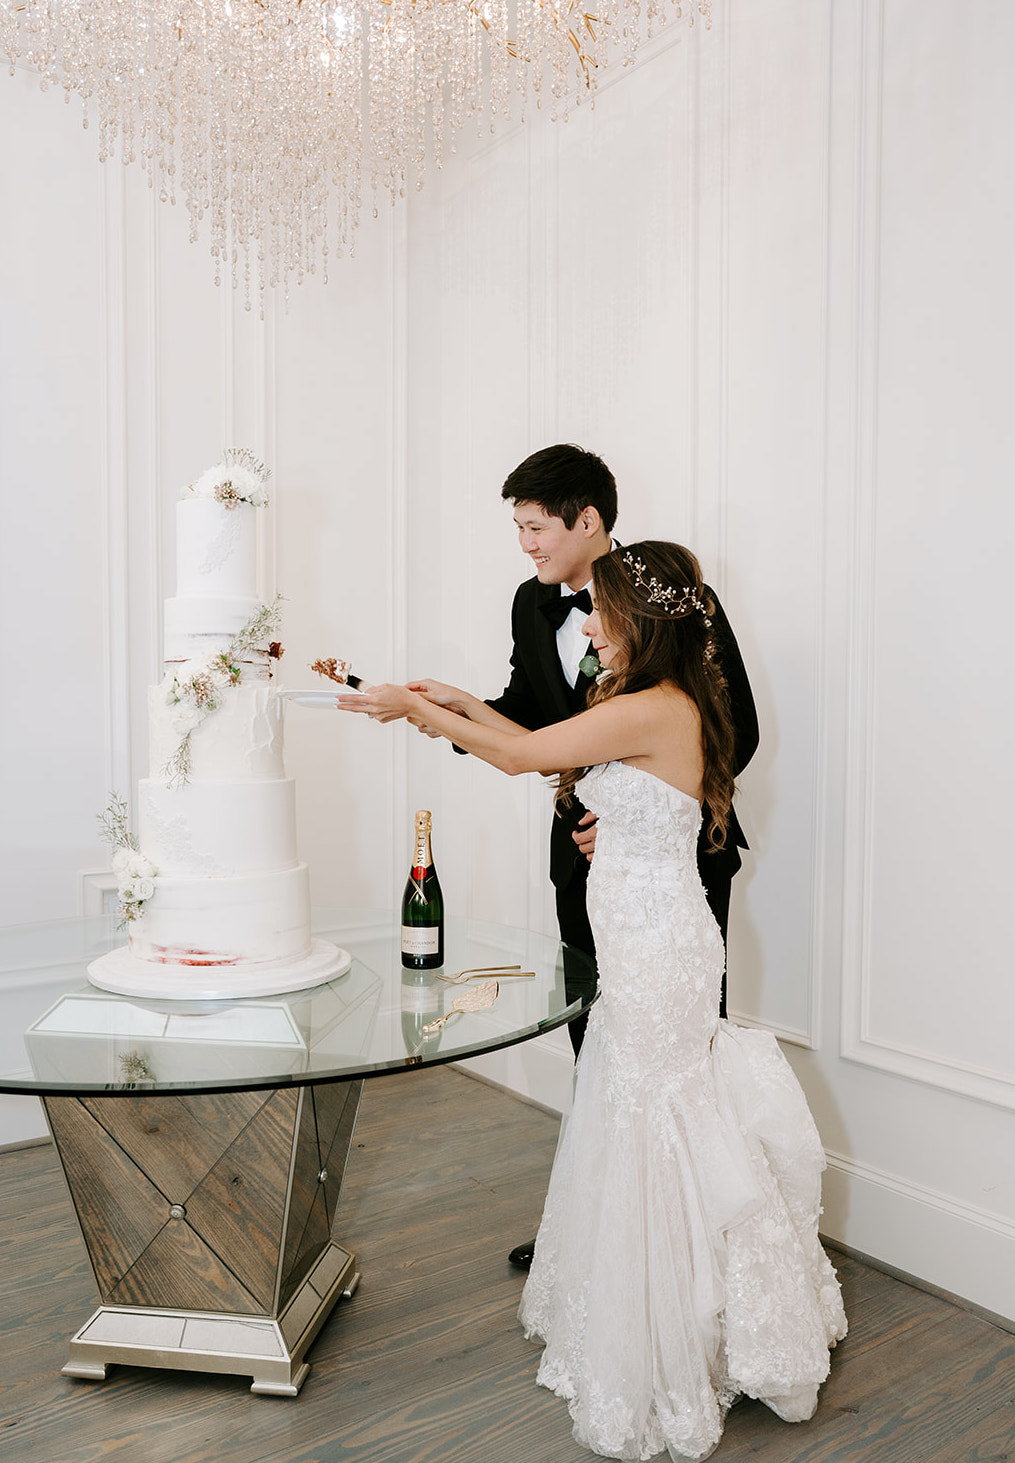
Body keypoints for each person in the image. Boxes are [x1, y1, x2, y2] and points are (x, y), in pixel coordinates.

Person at [337, 541, 846, 1462]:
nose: (591, 626)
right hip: (645, 933)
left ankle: (687, 1326)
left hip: (659, 948)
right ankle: (673, 1295)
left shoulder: (654, 705)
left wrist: (415, 708)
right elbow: (544, 752)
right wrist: (447, 702)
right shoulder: (651, 702)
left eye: (605, 613)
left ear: (641, 623)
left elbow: (525, 755)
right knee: (642, 1106)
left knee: (660, 1117)